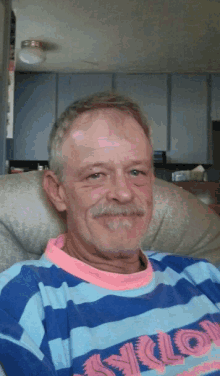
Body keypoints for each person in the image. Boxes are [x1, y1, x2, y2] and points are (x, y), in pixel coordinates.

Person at [0, 91, 220, 376]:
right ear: (58, 192)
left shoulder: (205, 277)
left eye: (136, 172)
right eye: (96, 175)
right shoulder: (22, 300)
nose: (124, 193)